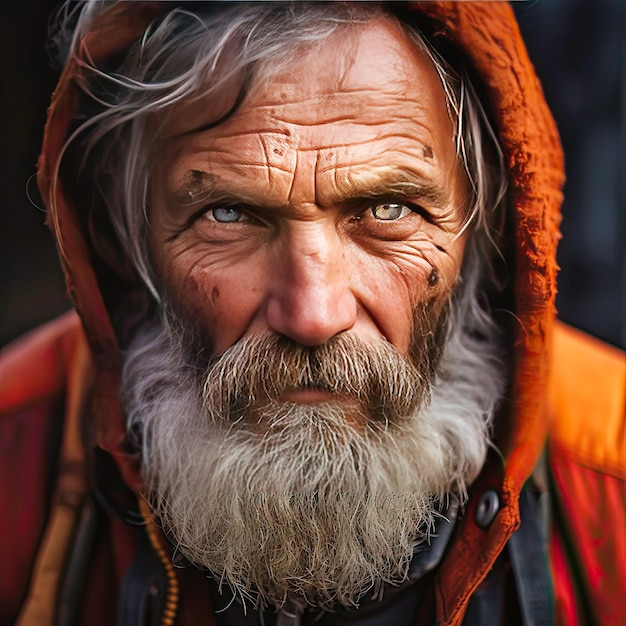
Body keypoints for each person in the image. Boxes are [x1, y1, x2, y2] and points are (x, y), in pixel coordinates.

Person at [1, 2, 623, 625]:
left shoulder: (610, 477)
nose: (313, 314)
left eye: (387, 209)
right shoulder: (15, 451)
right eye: (229, 215)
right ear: (122, 233)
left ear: (487, 225)